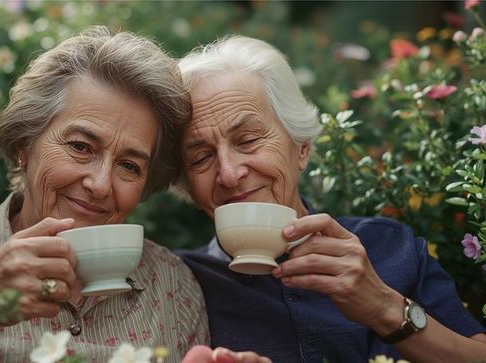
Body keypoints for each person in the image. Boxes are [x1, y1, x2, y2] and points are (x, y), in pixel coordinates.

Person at [0, 27, 208, 362]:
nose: (100, 184)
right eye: (80, 147)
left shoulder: (172, 286)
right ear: (25, 143)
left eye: (129, 166)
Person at [174, 35, 486, 362]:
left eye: (248, 140)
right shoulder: (179, 284)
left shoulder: (388, 246)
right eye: (200, 159)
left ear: (302, 147)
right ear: (188, 187)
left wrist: (384, 307)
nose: (228, 173)